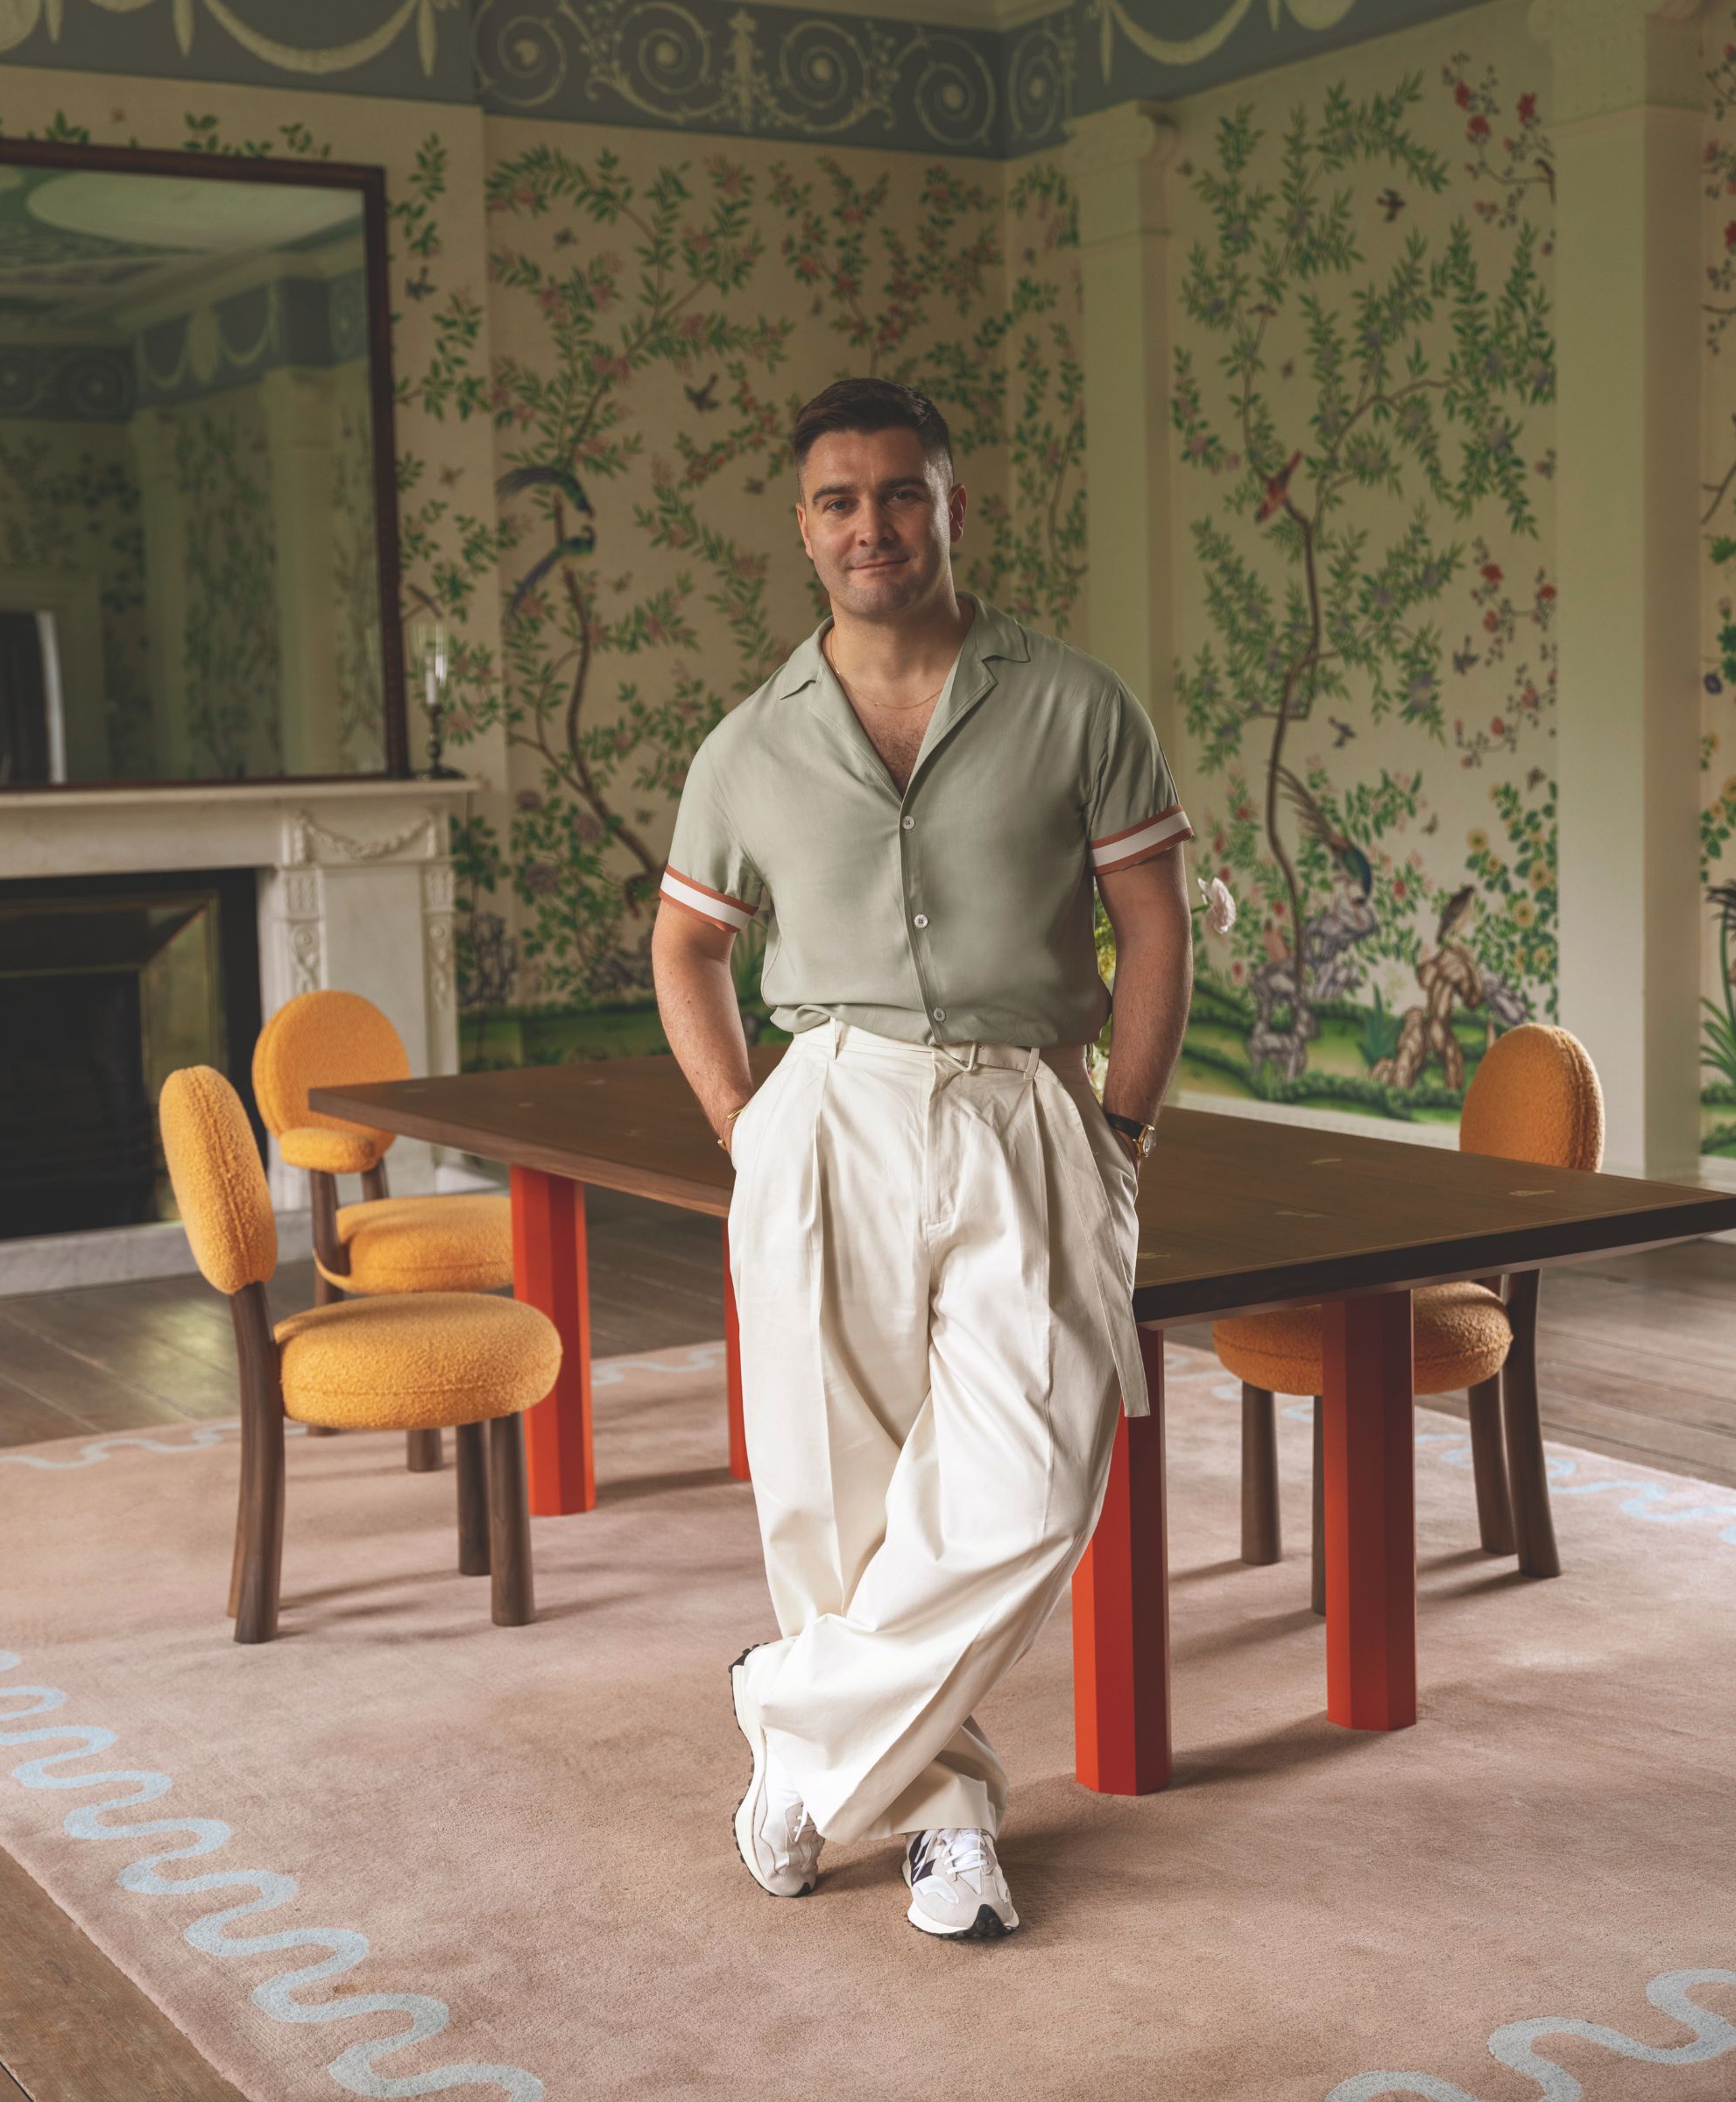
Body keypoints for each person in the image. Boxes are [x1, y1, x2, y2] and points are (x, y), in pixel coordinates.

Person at [651, 377, 1194, 1941]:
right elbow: (687, 948)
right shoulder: (750, 745)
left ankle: (796, 1719)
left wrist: (1126, 1129)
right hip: (829, 1111)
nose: (871, 525)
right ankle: (943, 1815)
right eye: (839, 500)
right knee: (839, 1497)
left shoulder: (1079, 702)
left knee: (1035, 1476)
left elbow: (1150, 924)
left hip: (1033, 1104)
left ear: (957, 507)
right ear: (803, 526)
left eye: (902, 492)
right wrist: (753, 1132)